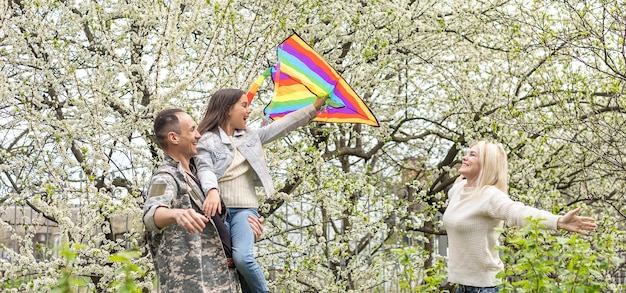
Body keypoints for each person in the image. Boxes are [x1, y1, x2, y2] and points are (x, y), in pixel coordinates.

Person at [195, 88, 327, 293]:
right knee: (229, 266)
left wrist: (313, 108)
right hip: (218, 214)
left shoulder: (250, 137)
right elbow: (204, 168)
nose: (249, 110)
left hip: (245, 212)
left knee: (243, 259)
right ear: (228, 109)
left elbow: (282, 127)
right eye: (244, 105)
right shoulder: (206, 140)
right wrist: (212, 190)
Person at [442, 140, 597, 293]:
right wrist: (463, 182)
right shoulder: (458, 190)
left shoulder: (490, 196)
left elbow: (519, 212)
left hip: (485, 287)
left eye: (472, 155)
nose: (464, 157)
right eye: (467, 153)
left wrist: (558, 221)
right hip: (461, 286)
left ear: (486, 164)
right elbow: (455, 195)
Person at [143, 108, 264, 293]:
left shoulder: (202, 177)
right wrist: (177, 214)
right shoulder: (166, 177)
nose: (199, 135)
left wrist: (247, 231)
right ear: (174, 138)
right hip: (191, 285)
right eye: (192, 130)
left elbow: (216, 228)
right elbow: (151, 215)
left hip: (221, 280)